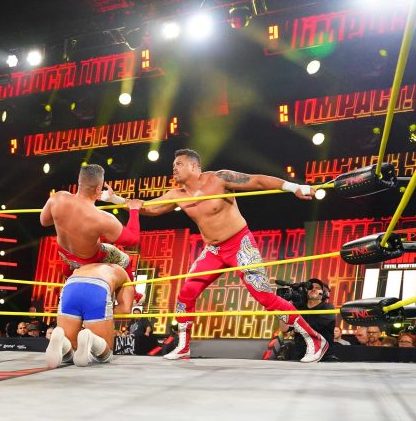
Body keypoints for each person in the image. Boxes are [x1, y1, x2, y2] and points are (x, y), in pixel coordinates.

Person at [106, 148, 328, 363]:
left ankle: (316, 340)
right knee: (186, 293)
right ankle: (183, 346)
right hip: (213, 250)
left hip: (240, 244)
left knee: (264, 296)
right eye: (174, 165)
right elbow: (146, 208)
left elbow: (257, 181)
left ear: (194, 166)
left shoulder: (219, 179)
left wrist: (294, 187)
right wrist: (114, 199)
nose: (174, 168)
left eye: (179, 164)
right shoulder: (177, 195)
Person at [40, 164, 143, 282]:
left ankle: (69, 279)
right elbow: (133, 240)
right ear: (98, 188)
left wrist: (65, 220)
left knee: (72, 257)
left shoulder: (58, 197)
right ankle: (133, 292)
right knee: (123, 259)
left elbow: (44, 221)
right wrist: (134, 210)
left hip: (64, 254)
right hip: (88, 260)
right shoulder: (102, 218)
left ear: (79, 179)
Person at [45, 263, 135, 368]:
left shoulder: (81, 267)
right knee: (105, 356)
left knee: (71, 350)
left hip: (71, 285)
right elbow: (125, 308)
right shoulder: (119, 270)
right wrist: (102, 312)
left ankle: (62, 341)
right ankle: (91, 338)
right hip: (98, 287)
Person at [279, 279, 336, 361]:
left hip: (323, 357)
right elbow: (284, 328)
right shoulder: (299, 307)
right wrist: (283, 307)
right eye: (310, 287)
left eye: (317, 288)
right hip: (300, 356)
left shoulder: (327, 307)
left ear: (324, 293)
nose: (313, 289)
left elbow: (314, 327)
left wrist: (297, 327)